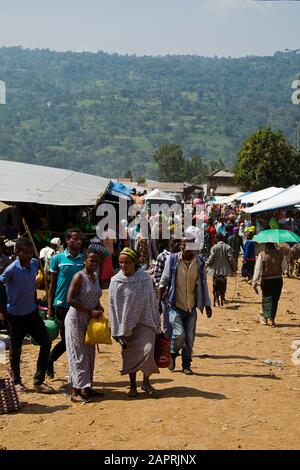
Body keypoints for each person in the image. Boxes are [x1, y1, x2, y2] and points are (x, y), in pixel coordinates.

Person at [0, 238, 53, 393]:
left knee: (45, 342)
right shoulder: (11, 269)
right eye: (26, 253)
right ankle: (17, 381)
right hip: (15, 316)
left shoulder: (34, 264)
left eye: (31, 253)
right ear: (17, 253)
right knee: (16, 350)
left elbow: (33, 284)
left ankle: (38, 381)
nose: (29, 256)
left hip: (32, 312)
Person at [109, 248, 160, 398]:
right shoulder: (115, 281)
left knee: (148, 351)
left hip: (145, 321)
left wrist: (157, 322)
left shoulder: (145, 279)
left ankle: (146, 382)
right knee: (129, 355)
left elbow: (152, 301)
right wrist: (115, 329)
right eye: (121, 263)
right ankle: (132, 386)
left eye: (127, 262)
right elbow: (112, 306)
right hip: (125, 325)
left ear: (135, 263)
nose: (124, 265)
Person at [158, 236, 212, 375]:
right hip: (175, 305)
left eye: (186, 245)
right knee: (179, 334)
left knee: (189, 338)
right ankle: (173, 352)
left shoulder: (199, 263)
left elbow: (203, 285)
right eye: (182, 244)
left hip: (191, 307)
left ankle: (186, 364)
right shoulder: (172, 260)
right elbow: (163, 281)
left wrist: (207, 304)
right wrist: (158, 302)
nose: (183, 247)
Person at [65, 248, 104, 402]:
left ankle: (87, 388)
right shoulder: (78, 277)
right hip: (76, 320)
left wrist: (99, 307)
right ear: (84, 260)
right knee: (78, 355)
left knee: (89, 354)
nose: (94, 263)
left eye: (96, 261)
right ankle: (75, 391)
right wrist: (89, 311)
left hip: (89, 321)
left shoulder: (95, 276)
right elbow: (70, 299)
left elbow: (95, 296)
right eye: (91, 260)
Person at [47, 229, 84, 378]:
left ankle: (74, 372)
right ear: (67, 240)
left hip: (79, 305)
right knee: (67, 339)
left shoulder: (84, 259)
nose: (78, 241)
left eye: (80, 239)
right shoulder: (58, 259)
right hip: (61, 305)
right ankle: (50, 359)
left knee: (77, 339)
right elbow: (52, 285)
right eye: (75, 239)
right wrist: (50, 307)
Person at [252, 243, 287, 327]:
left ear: (266, 246)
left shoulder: (262, 254)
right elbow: (284, 267)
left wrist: (254, 282)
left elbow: (258, 270)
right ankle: (272, 319)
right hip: (277, 279)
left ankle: (266, 317)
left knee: (266, 298)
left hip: (266, 280)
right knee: (275, 299)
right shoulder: (280, 254)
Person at [153, 237, 181, 339]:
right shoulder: (162, 257)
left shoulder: (182, 256)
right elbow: (157, 277)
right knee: (167, 323)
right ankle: (167, 348)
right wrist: (161, 291)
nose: (177, 244)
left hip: (179, 295)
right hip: (166, 296)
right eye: (175, 242)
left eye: (179, 242)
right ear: (169, 242)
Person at [206, 233, 236, 301]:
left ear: (217, 239)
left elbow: (211, 258)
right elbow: (231, 258)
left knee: (215, 283)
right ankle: (223, 296)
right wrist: (234, 268)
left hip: (215, 269)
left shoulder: (214, 247)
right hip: (225, 270)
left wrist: (207, 264)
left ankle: (216, 297)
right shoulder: (228, 247)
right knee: (224, 282)